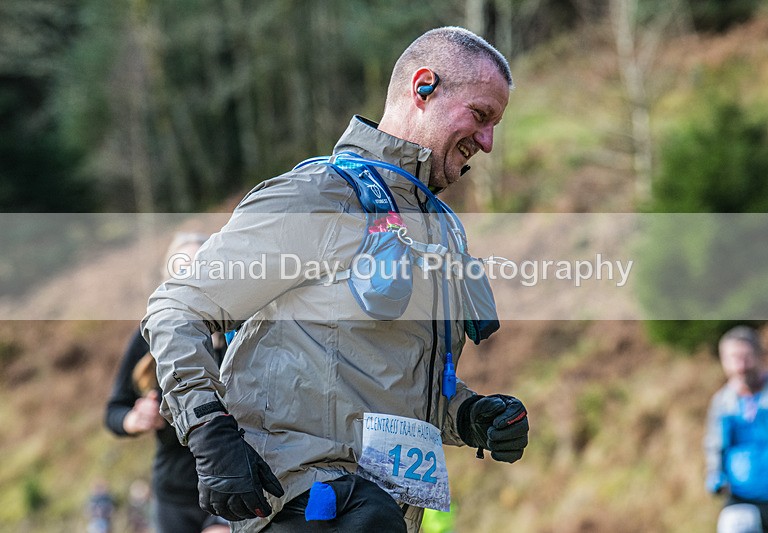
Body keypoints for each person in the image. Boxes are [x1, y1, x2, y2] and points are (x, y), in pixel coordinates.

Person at [142, 27, 529, 533]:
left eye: (495, 125)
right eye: (480, 116)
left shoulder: (437, 231)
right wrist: (211, 432)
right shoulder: (317, 195)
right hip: (303, 507)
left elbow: (392, 386)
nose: (488, 142)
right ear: (423, 88)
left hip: (381, 515)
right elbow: (176, 309)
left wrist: (470, 416)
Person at [106, 233, 230, 533]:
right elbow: (113, 412)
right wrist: (136, 418)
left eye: (203, 266)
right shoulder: (150, 335)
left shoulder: (240, 335)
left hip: (233, 489)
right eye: (183, 269)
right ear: (168, 281)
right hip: (174, 494)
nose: (193, 278)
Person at [704, 325, 768, 533]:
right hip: (742, 498)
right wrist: (715, 474)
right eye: (733, 358)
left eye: (745, 356)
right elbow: (714, 445)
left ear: (760, 356)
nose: (740, 365)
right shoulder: (722, 402)